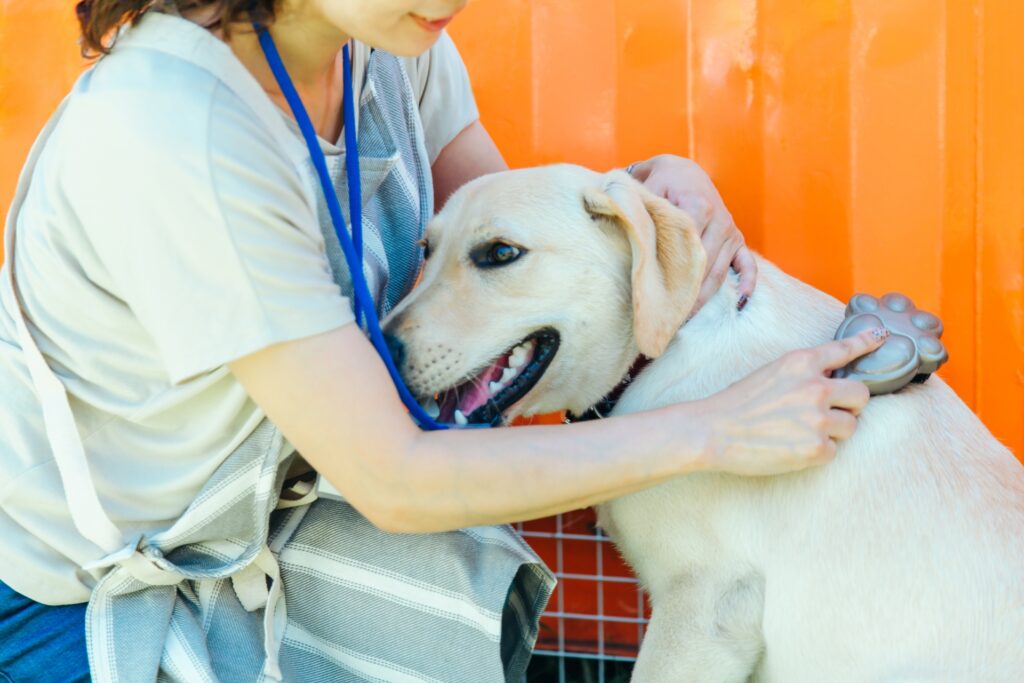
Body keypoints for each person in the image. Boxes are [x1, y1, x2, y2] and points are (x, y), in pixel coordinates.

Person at [0, 0, 885, 680]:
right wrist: (721, 428)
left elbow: (513, 253)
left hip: (283, 513)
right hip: (82, 599)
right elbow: (396, 477)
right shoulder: (178, 131)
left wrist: (659, 203)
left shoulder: (383, 41)